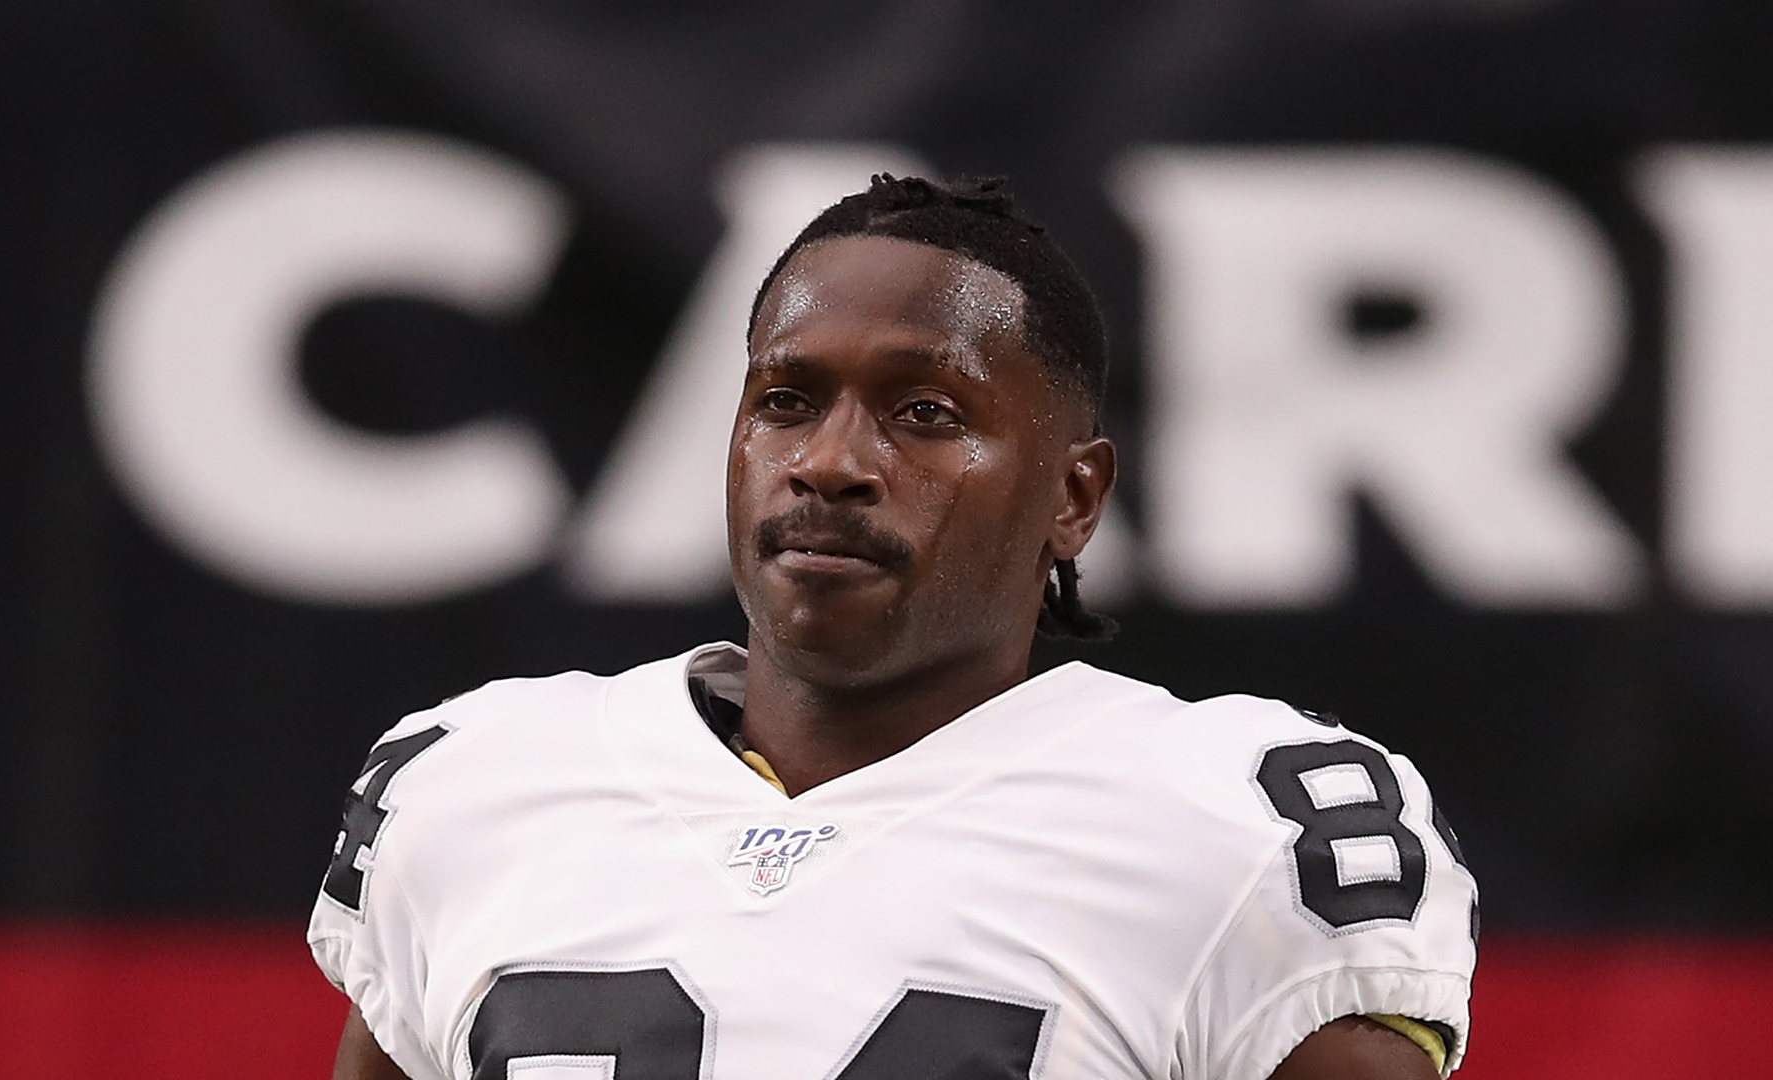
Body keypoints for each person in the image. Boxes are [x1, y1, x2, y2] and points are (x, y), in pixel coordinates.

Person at [309, 175, 1478, 1080]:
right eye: (786, 401)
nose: (829, 464)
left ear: (1073, 497)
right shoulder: (472, 785)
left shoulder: (1245, 823)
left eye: (924, 413)